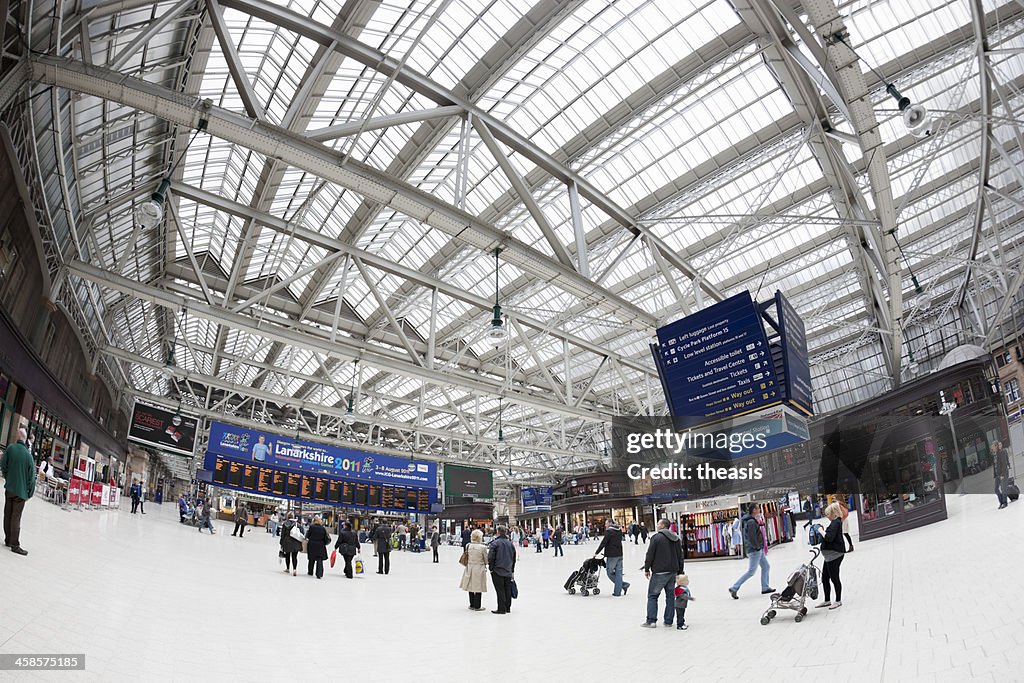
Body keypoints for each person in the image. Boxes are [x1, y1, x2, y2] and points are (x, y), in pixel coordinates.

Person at [641, 518, 684, 628]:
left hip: (659, 572)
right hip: (672, 572)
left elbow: (650, 554)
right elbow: (680, 556)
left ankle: (651, 621)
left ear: (663, 526)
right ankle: (668, 621)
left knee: (652, 596)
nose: (657, 525)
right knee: (670, 596)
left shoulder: (656, 538)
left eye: (658, 524)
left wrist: (647, 568)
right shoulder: (676, 538)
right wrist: (680, 571)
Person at [728, 503, 774, 599]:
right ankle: (734, 587)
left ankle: (765, 587)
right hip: (755, 550)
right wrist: (757, 547)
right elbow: (752, 537)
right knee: (751, 571)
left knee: (766, 566)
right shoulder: (751, 522)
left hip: (757, 549)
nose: (759, 510)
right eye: (757, 508)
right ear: (753, 510)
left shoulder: (751, 520)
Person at [2, 428, 35, 556]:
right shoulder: (28, 456)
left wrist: (7, 478)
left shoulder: (10, 448)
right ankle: (15, 544)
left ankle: (8, 539)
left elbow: (3, 465)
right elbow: (31, 478)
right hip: (21, 493)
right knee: (16, 517)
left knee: (7, 513)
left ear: (18, 436)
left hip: (9, 488)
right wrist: (29, 493)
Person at [816, 502, 847, 610]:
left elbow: (829, 537)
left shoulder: (835, 523)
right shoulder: (835, 522)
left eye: (828, 514)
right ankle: (827, 600)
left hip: (834, 555)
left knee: (834, 578)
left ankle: (838, 600)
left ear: (833, 513)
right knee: (825, 578)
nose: (827, 516)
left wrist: (820, 531)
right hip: (829, 556)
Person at [595, 519, 630, 596]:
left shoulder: (609, 531)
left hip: (612, 555)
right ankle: (618, 592)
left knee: (609, 572)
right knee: (618, 573)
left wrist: (596, 552)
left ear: (610, 523)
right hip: (620, 554)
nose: (605, 525)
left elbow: (603, 543)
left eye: (606, 523)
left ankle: (624, 585)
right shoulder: (619, 530)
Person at [487, 525, 516, 614]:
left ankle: (501, 608)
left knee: (500, 590)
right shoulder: (510, 544)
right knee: (507, 589)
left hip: (497, 570)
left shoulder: (495, 543)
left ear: (498, 532)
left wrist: (491, 568)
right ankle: (507, 607)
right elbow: (513, 557)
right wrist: (512, 569)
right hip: (508, 570)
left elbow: (491, 557)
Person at [460, 529, 489, 611]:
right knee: (478, 587)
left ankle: (472, 604)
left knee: (470, 585)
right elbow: (486, 559)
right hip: (479, 568)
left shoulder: (468, 545)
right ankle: (478, 606)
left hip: (469, 567)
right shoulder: (483, 547)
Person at [994, 441, 1010, 509]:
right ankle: (1001, 502)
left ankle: (1005, 502)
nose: (1000, 446)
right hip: (998, 474)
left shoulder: (1002, 452)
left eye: (1000, 444)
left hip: (1003, 473)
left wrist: (1002, 474)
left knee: (1003, 488)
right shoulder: (996, 454)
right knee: (996, 489)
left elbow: (1004, 464)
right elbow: (995, 465)